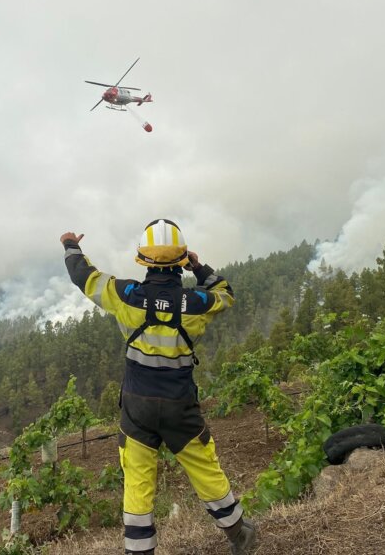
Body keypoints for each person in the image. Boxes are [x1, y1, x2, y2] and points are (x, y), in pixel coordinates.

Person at [61, 219, 257, 555]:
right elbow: (226, 295)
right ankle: (239, 534)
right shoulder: (196, 303)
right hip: (180, 406)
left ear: (143, 260)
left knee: (137, 482)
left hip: (137, 407)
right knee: (205, 469)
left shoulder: (125, 295)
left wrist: (70, 246)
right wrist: (199, 266)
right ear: (180, 262)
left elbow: (86, 279)